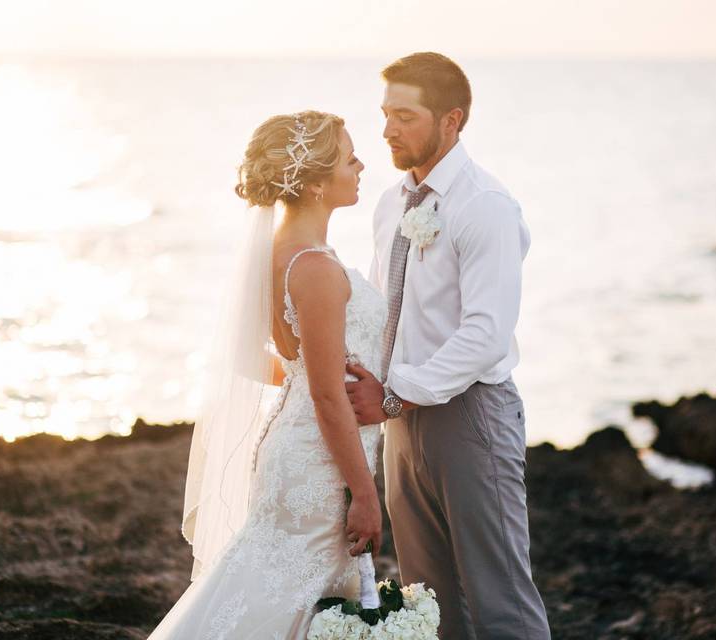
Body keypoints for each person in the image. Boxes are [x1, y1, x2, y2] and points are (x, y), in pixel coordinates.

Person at [148, 110, 387, 639]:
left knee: (277, 586)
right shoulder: (317, 268)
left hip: (295, 449)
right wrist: (365, 494)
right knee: (291, 598)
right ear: (319, 183)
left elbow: (254, 360)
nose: (362, 165)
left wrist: (306, 375)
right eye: (350, 158)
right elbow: (328, 397)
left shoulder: (273, 256)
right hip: (319, 466)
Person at [345, 52, 552, 639]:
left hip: (471, 419)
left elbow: (485, 335)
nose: (387, 130)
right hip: (401, 424)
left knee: (501, 601)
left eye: (405, 116)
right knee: (427, 604)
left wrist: (395, 394)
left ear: (451, 121)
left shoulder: (484, 205)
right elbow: (381, 311)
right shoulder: (391, 203)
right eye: (385, 114)